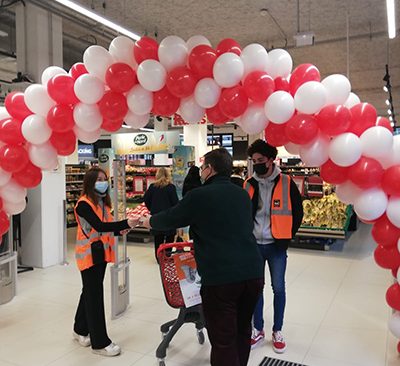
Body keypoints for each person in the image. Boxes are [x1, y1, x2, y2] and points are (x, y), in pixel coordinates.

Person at [141, 148, 264, 366]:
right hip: (253, 273)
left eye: (203, 167)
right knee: (242, 331)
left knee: (223, 340)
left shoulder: (199, 196)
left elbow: (171, 218)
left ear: (209, 169)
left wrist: (147, 221)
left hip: (221, 278)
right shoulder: (243, 194)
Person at [244, 139, 303, 353]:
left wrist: (287, 236)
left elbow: (298, 213)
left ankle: (277, 330)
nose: (256, 164)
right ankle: (257, 328)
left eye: (260, 160)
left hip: (277, 246)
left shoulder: (287, 182)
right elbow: (243, 213)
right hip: (254, 246)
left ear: (271, 160)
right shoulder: (249, 183)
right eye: (253, 160)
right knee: (256, 289)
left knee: (278, 288)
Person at [73, 167, 139, 357]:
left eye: (104, 179)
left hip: (100, 255)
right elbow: (99, 226)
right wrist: (126, 223)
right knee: (94, 296)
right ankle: (100, 343)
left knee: (89, 292)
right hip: (89, 256)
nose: (103, 182)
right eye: (99, 179)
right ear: (90, 182)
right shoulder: (83, 204)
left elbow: (106, 227)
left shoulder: (102, 203)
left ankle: (79, 329)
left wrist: (122, 229)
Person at [144, 167, 179, 260]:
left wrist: (152, 208)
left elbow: (146, 199)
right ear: (168, 175)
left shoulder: (152, 187)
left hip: (156, 216)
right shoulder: (171, 187)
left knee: (158, 238)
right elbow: (175, 203)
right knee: (169, 237)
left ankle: (159, 257)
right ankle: (167, 256)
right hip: (169, 216)